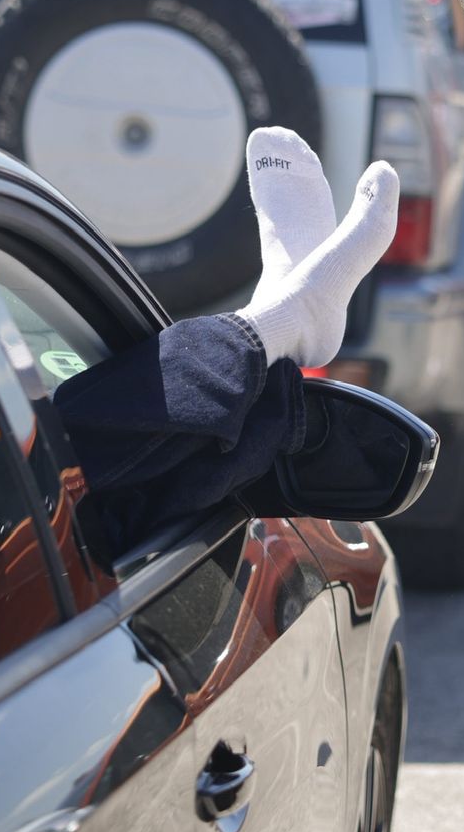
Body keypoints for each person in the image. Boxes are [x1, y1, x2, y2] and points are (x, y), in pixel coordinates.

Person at [53, 127, 398, 548]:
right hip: (3, 538)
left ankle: (286, 315)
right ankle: (284, 316)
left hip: (11, 544)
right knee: (63, 447)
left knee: (91, 482)